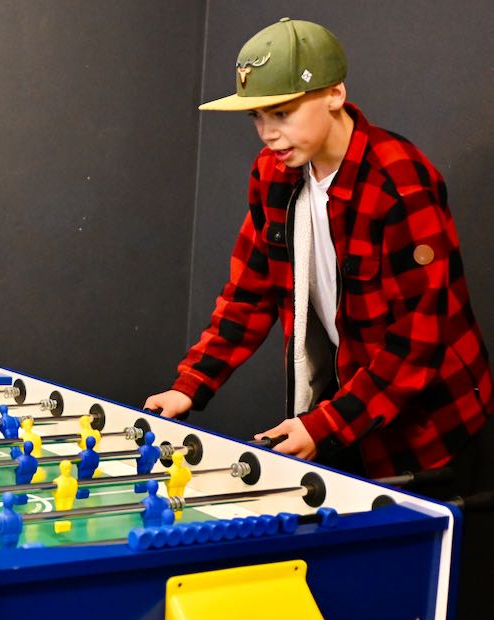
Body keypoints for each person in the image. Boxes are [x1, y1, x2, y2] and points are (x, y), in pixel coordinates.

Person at [144, 18, 491, 486]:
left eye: (282, 113)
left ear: (334, 95)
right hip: (342, 413)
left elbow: (417, 343)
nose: (267, 133)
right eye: (257, 117)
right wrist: (189, 386)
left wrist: (324, 424)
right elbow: (248, 293)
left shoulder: (399, 182)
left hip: (434, 433)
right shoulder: (273, 172)